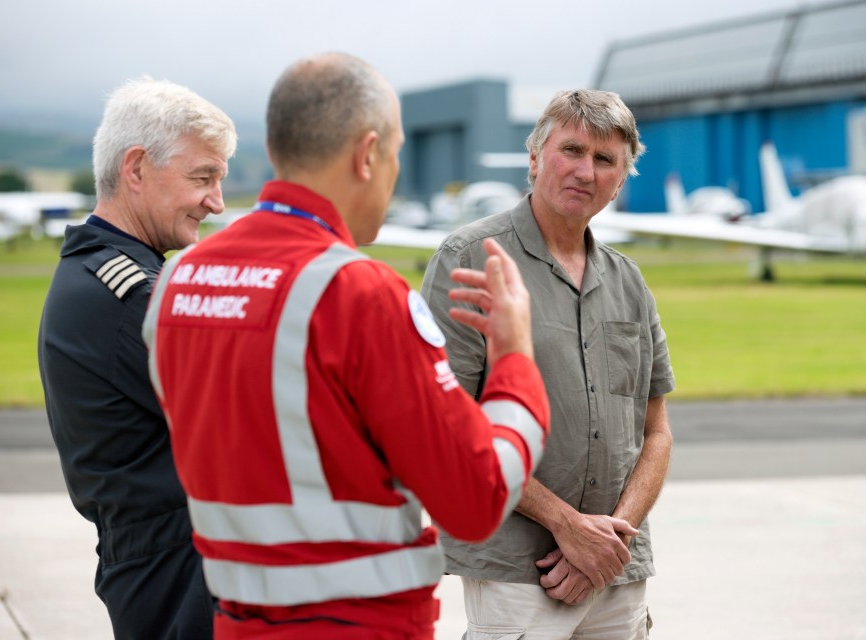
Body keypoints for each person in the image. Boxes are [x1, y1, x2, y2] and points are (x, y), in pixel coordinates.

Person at [141, 52, 551, 640]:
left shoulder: (179, 282)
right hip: (357, 624)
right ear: (366, 155)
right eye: (396, 152)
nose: (394, 171)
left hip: (231, 619)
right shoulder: (358, 292)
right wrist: (514, 359)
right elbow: (475, 498)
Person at [421, 89, 675, 639]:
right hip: (515, 569)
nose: (586, 171)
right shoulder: (471, 258)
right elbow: (447, 423)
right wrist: (567, 527)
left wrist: (610, 541)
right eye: (572, 150)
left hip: (616, 568)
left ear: (622, 176)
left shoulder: (630, 281)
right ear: (535, 158)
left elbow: (655, 433)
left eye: (606, 160)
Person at [38, 78, 237, 639]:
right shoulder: (133, 298)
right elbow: (252, 416)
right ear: (136, 168)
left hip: (156, 554)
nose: (216, 202)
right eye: (203, 178)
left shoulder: (99, 274)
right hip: (180, 564)